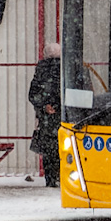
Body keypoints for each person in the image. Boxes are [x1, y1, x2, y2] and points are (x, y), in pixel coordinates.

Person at [27, 42, 62, 188]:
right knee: (62, 149)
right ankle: (62, 176)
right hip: (64, 118)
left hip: (47, 121)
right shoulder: (68, 69)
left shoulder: (41, 70)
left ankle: (51, 178)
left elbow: (32, 94)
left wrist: (44, 106)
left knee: (49, 151)